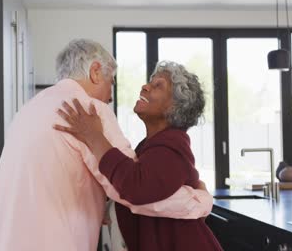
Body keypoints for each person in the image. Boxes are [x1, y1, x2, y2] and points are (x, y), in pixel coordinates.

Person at [0, 39, 213, 251]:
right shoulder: (89, 111)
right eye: (110, 83)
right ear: (95, 72)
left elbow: (127, 182)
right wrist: (201, 201)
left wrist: (101, 203)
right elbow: (132, 190)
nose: (110, 96)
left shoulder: (28, 110)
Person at [55, 60, 223, 251]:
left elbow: (136, 187)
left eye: (157, 85)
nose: (145, 86)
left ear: (175, 107)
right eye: (150, 82)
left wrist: (95, 137)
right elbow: (146, 192)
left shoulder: (173, 144)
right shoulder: (152, 145)